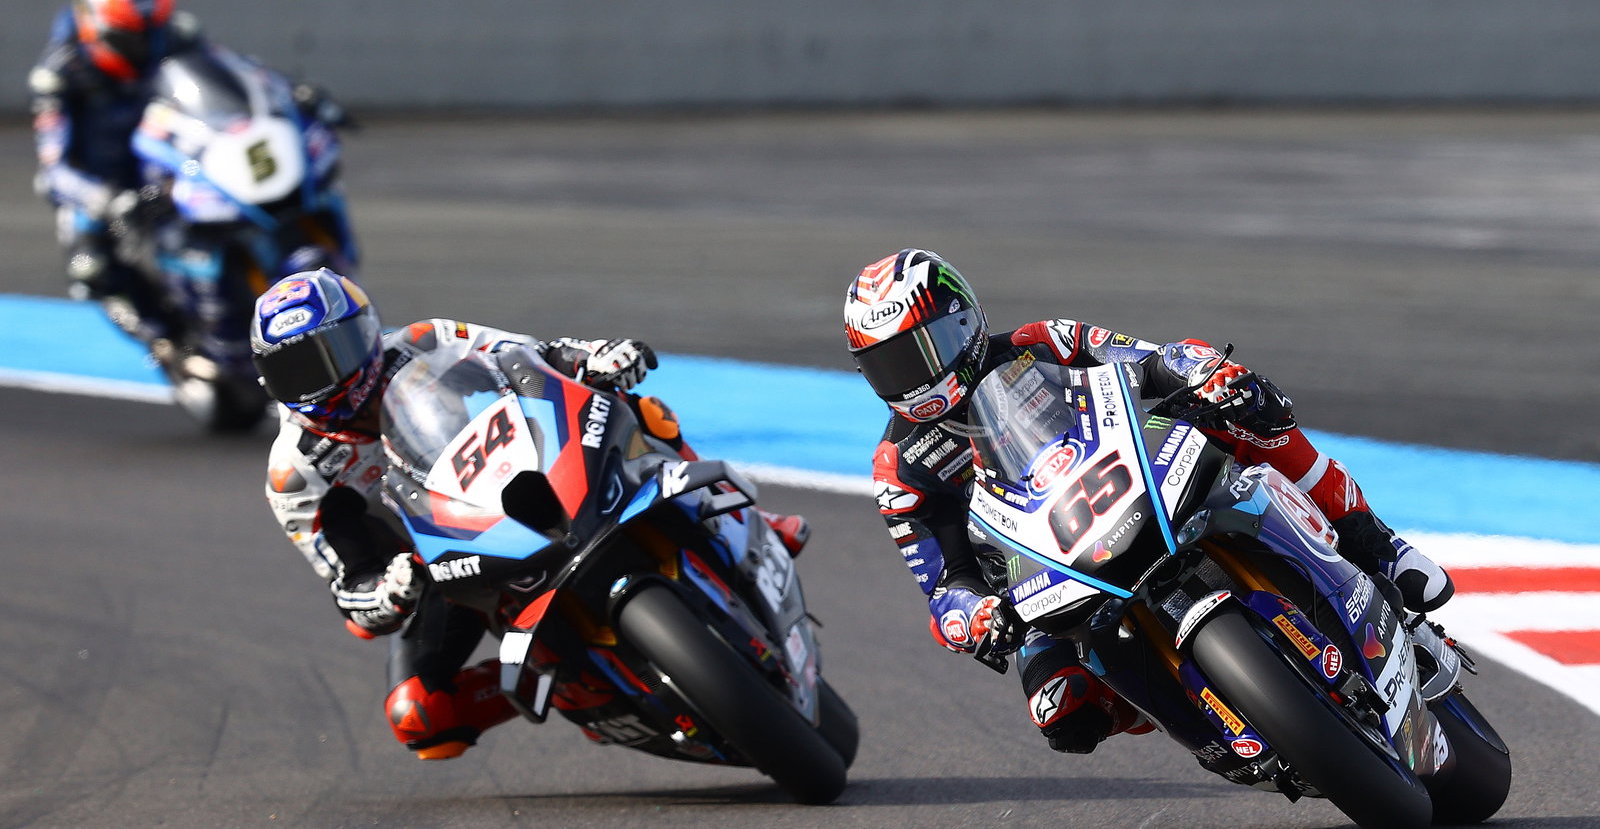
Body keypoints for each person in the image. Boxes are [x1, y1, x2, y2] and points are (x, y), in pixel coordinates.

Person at [843, 247, 1454, 755]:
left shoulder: (1041, 342)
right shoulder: (899, 467)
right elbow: (942, 581)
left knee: (1243, 410)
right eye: (889, 365)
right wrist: (972, 616)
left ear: (964, 323)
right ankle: (1200, 712)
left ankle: (1376, 543)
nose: (915, 375)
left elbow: (1150, 359)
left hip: (1141, 483)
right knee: (1062, 713)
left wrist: (1202, 372)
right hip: (1042, 579)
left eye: (924, 348)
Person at [251, 268, 808, 760]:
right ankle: (560, 681)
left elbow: (532, 358)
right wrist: (387, 591)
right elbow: (349, 587)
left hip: (523, 472)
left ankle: (742, 518)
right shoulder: (296, 472)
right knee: (421, 719)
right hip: (446, 567)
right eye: (295, 370)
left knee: (639, 407)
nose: (321, 380)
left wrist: (593, 357)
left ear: (366, 333)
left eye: (331, 353)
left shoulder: (428, 340)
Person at [30, 0, 348, 353]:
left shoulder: (176, 34)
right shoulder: (60, 75)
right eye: (130, 37)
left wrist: (292, 92)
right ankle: (169, 344)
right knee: (91, 268)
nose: (146, 46)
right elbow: (55, 169)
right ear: (92, 24)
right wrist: (106, 199)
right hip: (105, 181)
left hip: (165, 155)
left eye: (154, 31)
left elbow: (234, 70)